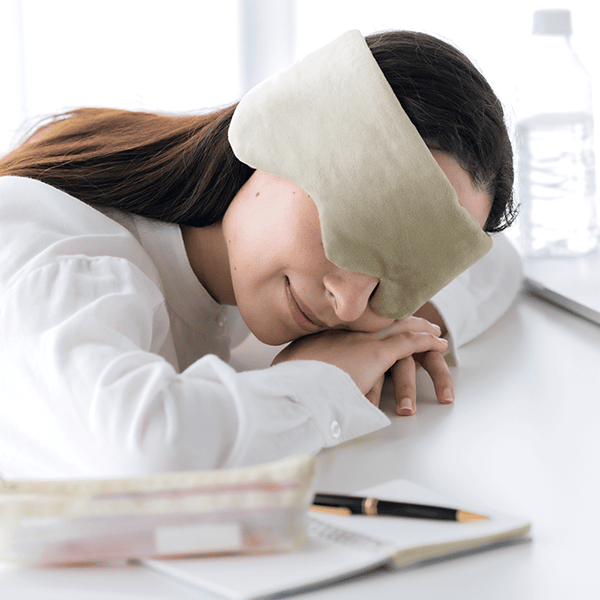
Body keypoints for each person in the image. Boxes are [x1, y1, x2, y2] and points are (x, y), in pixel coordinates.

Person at [0, 30, 520, 479]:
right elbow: (148, 454)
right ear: (285, 129)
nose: (348, 303)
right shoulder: (67, 259)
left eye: (401, 277)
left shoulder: (221, 265)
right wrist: (323, 380)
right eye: (360, 231)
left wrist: (392, 335)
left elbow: (497, 260)